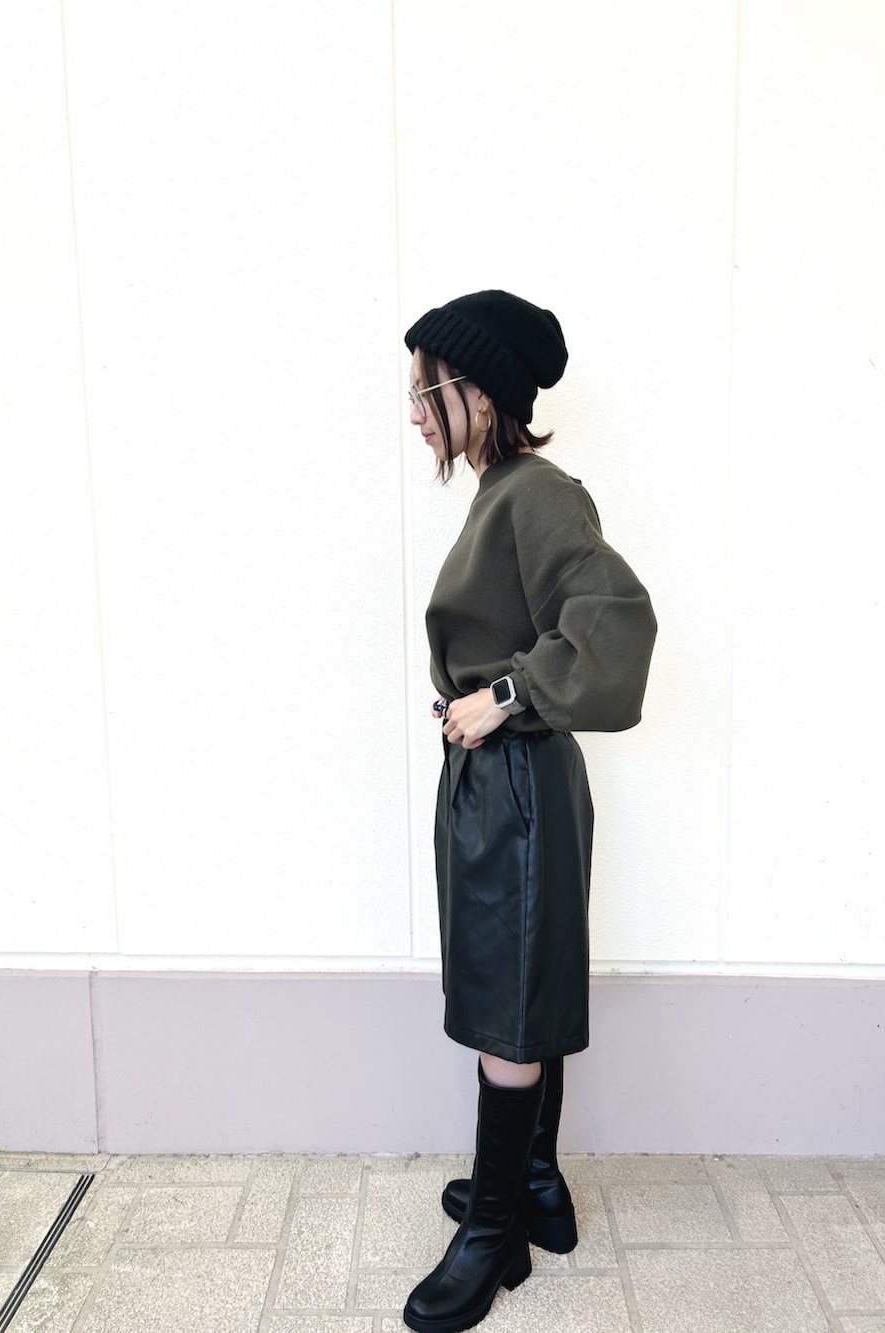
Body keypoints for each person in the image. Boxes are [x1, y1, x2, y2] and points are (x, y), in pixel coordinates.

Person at [401, 290, 657, 1333]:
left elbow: (615, 618)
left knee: (509, 1005)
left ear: (480, 393)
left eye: (427, 390)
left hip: (518, 786)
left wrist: (502, 694)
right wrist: (483, 700)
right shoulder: (500, 490)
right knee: (517, 985)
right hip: (503, 784)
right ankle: (537, 1185)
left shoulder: (537, 493)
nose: (415, 411)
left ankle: (494, 1231)